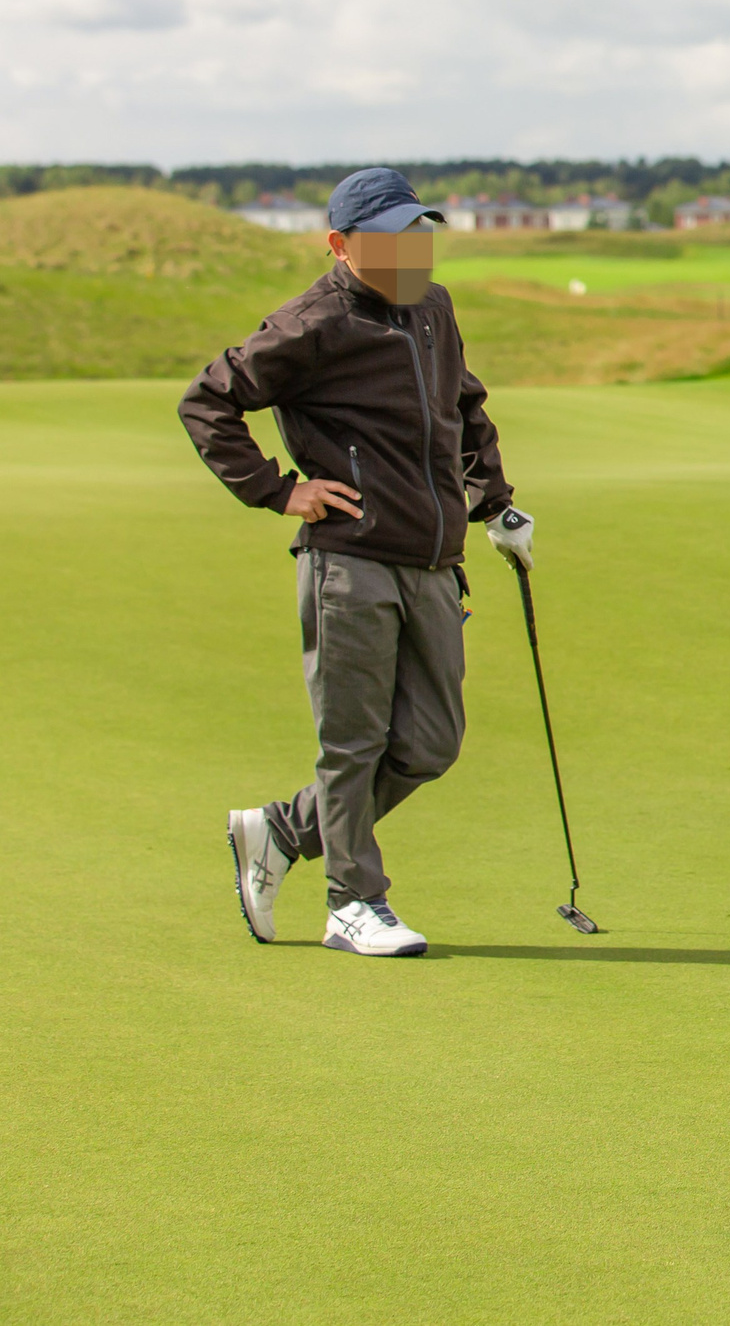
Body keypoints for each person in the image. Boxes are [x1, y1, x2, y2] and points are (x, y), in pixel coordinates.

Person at [182, 168, 535, 958]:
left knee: (433, 741)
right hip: (351, 561)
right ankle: (352, 901)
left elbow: (463, 407)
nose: (412, 250)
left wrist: (494, 503)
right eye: (390, 238)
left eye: (420, 232)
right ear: (342, 245)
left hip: (434, 559)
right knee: (353, 741)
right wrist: (280, 492)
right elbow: (209, 402)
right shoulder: (311, 323)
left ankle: (279, 831)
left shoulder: (433, 306)